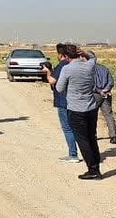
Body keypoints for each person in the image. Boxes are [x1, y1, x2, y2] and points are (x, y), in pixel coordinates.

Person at [44, 46, 102, 180]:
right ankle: (96, 167)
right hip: (91, 107)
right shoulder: (89, 65)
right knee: (92, 138)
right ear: (78, 54)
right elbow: (93, 57)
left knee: (82, 140)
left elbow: (59, 88)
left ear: (66, 56)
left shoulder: (67, 69)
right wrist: (85, 53)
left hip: (76, 108)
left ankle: (93, 170)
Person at [48, 43, 81, 163]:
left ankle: (73, 154)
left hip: (63, 101)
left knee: (67, 128)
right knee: (77, 128)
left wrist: (48, 71)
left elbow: (53, 81)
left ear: (61, 54)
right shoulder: (78, 65)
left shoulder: (62, 66)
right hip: (77, 102)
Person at [89, 54, 116, 144]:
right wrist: (105, 90)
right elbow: (111, 81)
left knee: (92, 116)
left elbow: (90, 84)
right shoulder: (104, 68)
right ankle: (113, 136)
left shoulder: (87, 70)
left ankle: (92, 135)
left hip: (95, 94)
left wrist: (99, 91)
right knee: (109, 115)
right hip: (106, 94)